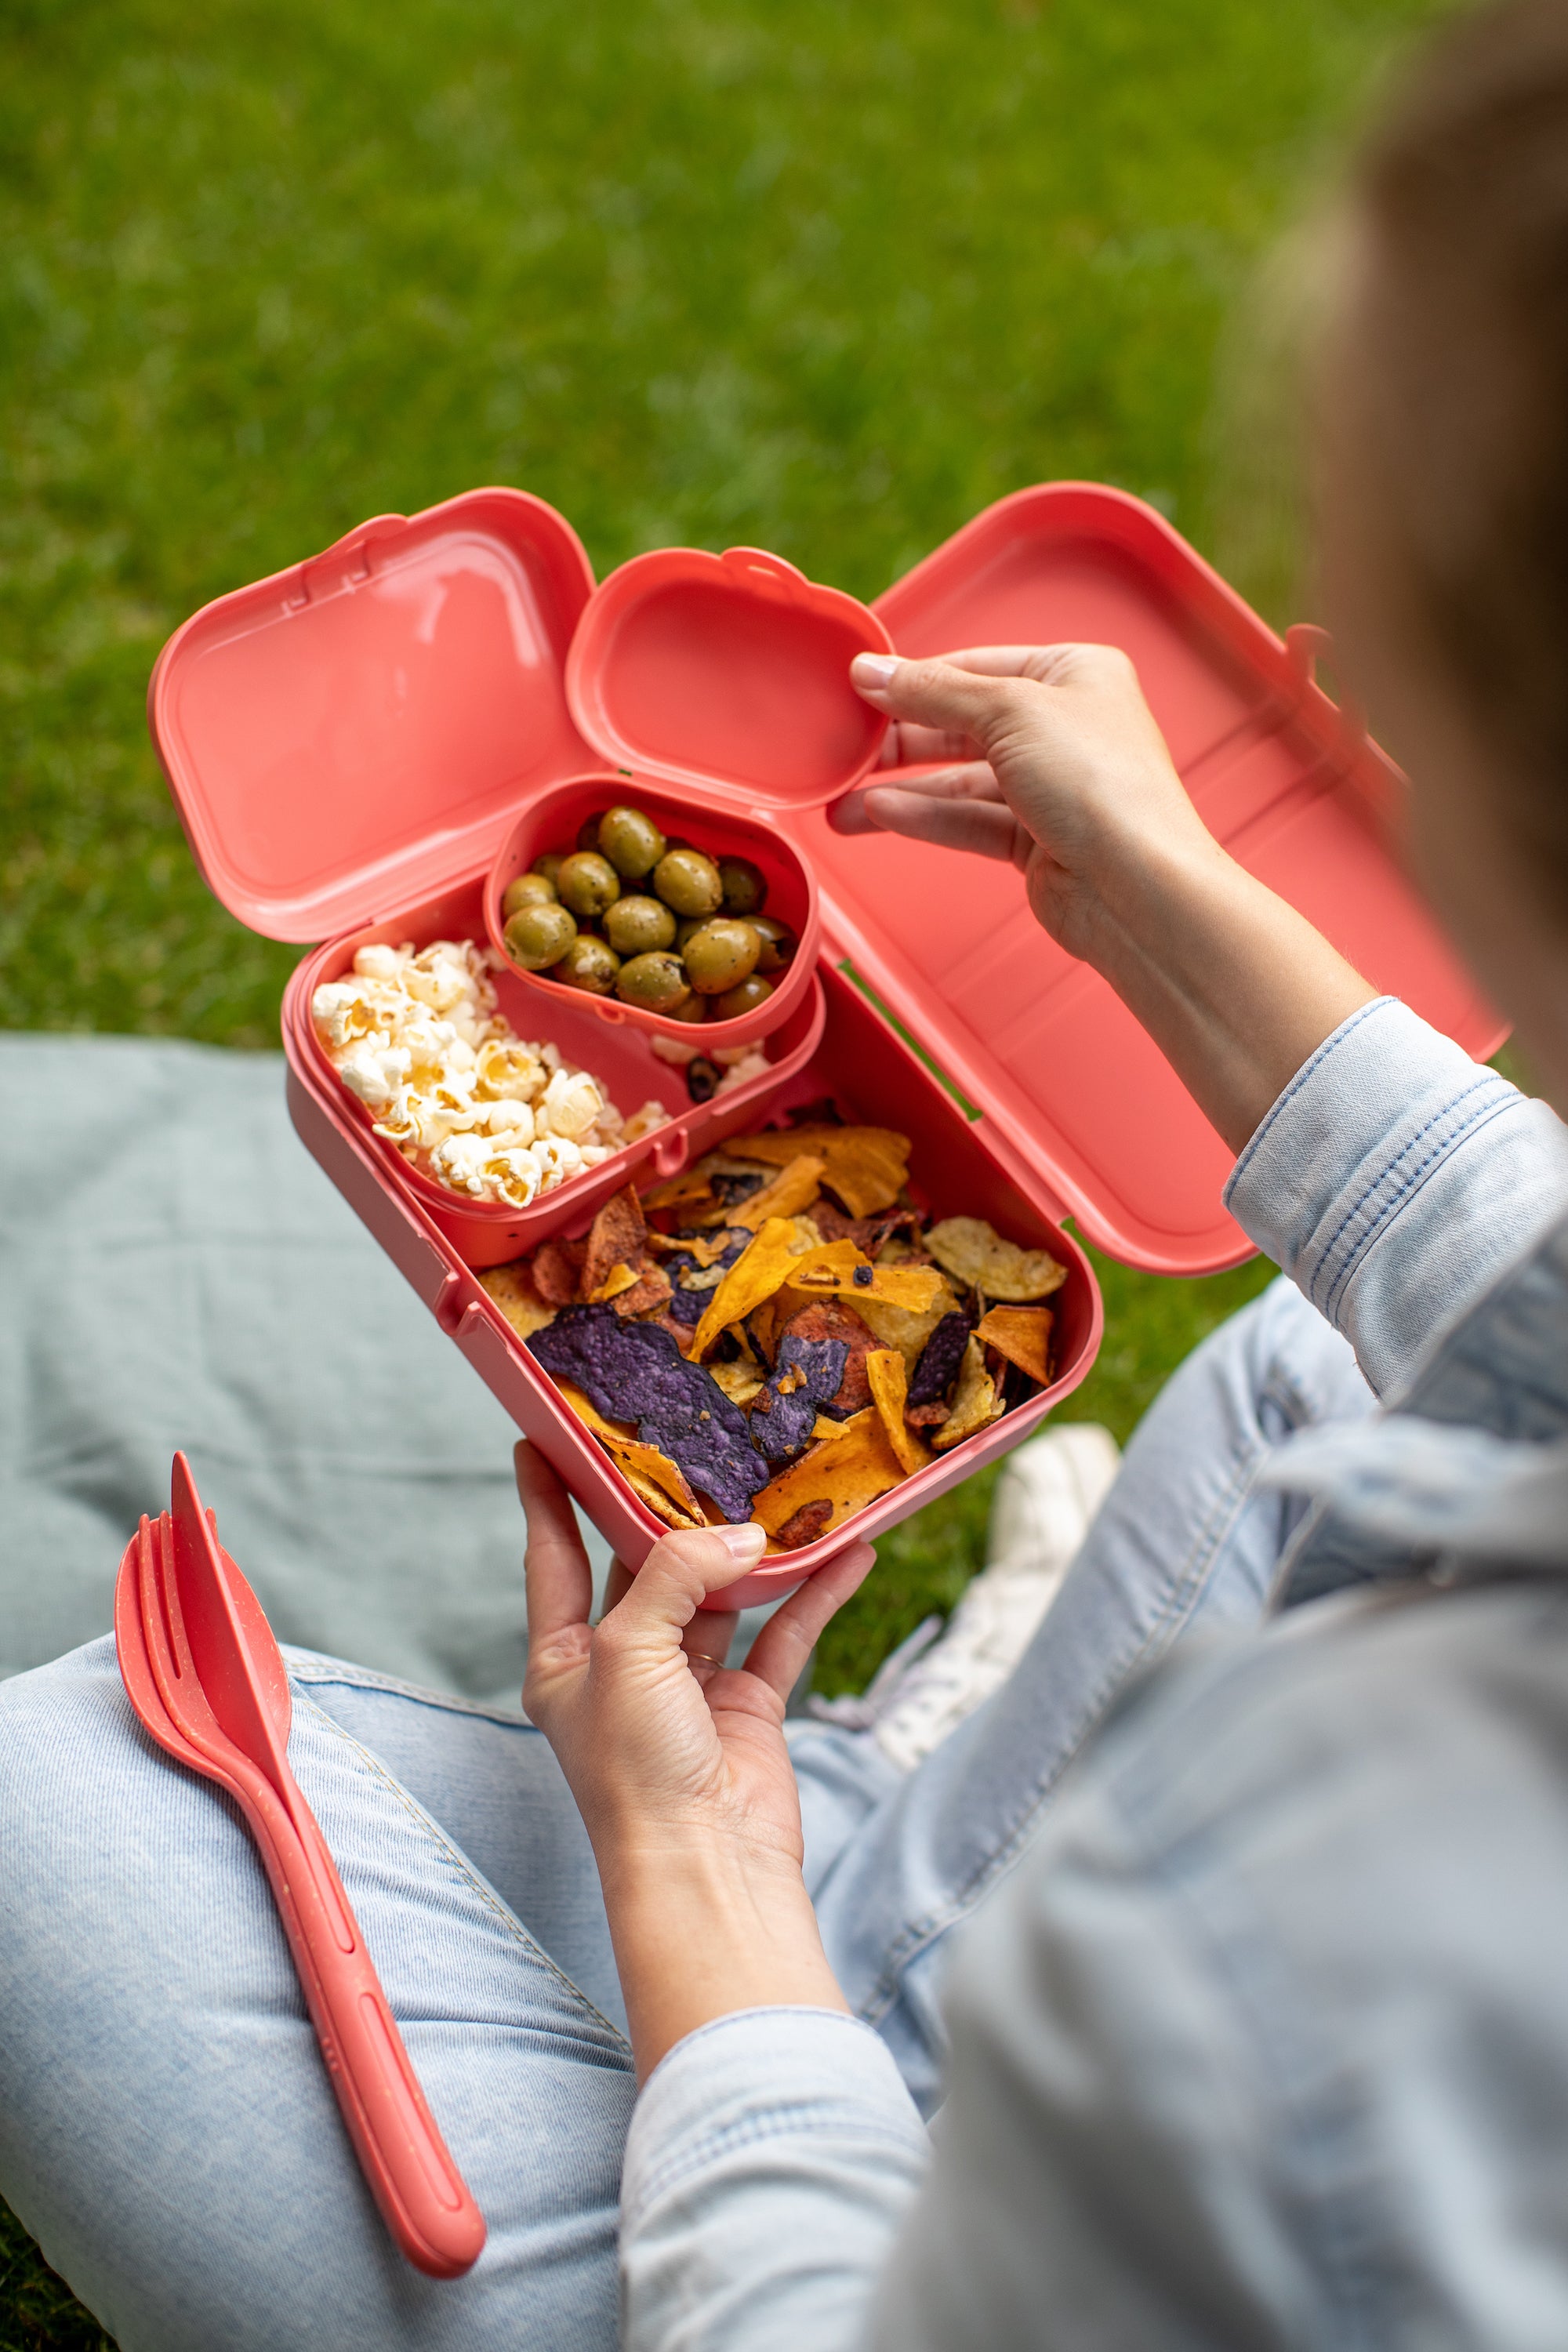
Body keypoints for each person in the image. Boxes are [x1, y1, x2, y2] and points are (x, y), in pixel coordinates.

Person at [6, 0, 1568, 2341]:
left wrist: (697, 1875)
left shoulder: (1286, 1938)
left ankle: (843, 1876)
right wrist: (1166, 890)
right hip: (1145, 2018)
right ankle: (927, 1823)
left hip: (872, 2252)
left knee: (40, 1816)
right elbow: (1527, 1309)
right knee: (1323, 1371)